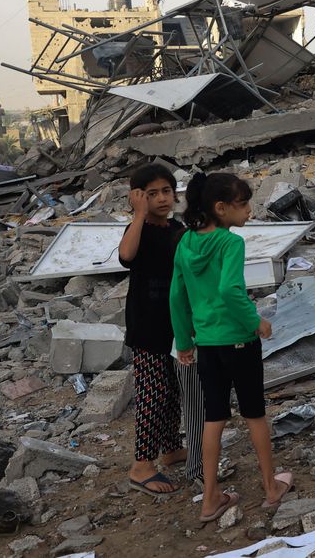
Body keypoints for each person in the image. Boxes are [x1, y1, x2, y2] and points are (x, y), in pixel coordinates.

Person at [170, 173, 292, 523]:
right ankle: (271, 488)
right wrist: (256, 321)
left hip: (207, 344)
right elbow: (229, 290)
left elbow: (176, 296)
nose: (250, 211)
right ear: (220, 208)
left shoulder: (185, 243)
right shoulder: (230, 243)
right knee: (254, 413)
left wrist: (184, 341)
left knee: (214, 417)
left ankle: (210, 498)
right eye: (243, 204)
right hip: (239, 340)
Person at [120, 164, 201, 496]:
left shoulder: (176, 228)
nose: (161, 198)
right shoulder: (137, 229)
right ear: (137, 198)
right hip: (147, 325)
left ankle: (170, 449)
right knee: (152, 394)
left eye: (166, 191)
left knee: (172, 389)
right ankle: (141, 465)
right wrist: (139, 214)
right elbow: (126, 256)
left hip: (176, 323)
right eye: (151, 194)